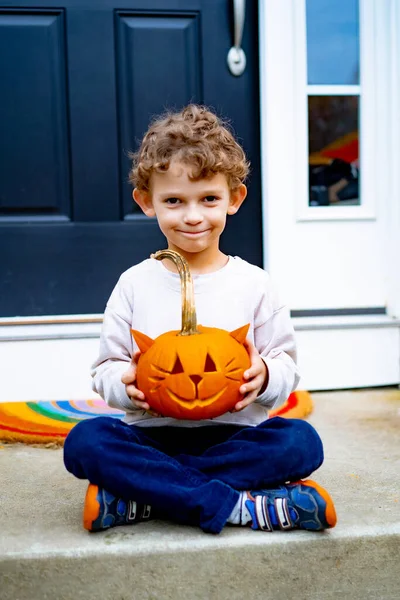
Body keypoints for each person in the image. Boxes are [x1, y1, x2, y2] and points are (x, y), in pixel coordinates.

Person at [64, 105, 337, 535]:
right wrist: (126, 384)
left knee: (300, 443)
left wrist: (264, 374)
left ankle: (144, 495)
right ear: (146, 202)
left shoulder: (254, 284)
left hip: (234, 436)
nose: (192, 216)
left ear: (234, 199)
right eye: (174, 201)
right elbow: (105, 369)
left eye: (208, 199)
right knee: (86, 442)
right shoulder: (134, 284)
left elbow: (286, 365)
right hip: (152, 436)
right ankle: (239, 506)